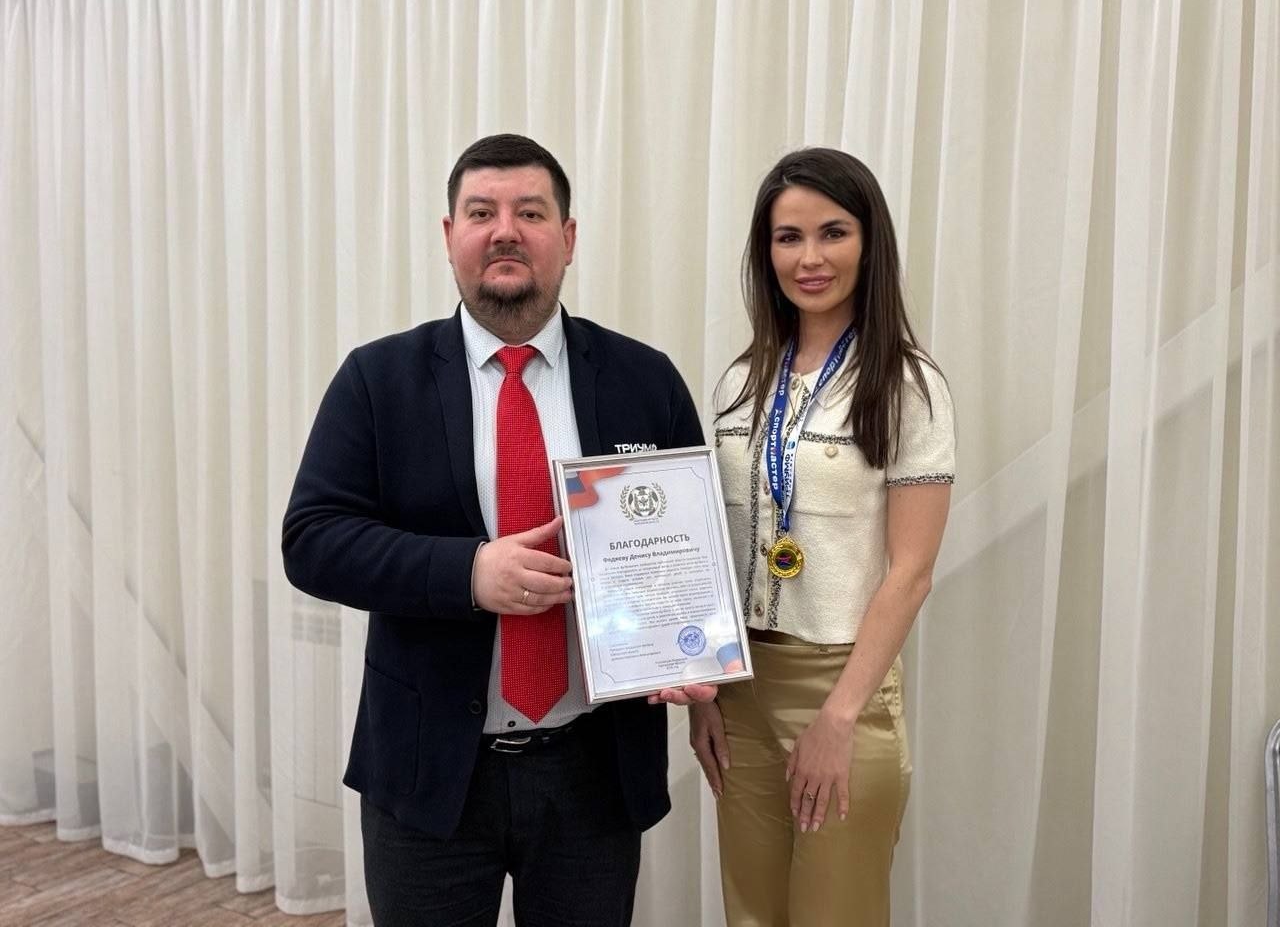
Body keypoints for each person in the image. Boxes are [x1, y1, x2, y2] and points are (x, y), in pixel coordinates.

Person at [282, 133, 711, 927]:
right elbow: (313, 540)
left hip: (592, 772)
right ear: (450, 236)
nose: (505, 231)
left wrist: (691, 651)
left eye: (531, 213)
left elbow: (689, 551)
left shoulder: (644, 379)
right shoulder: (378, 379)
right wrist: (468, 573)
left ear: (568, 237)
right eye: (481, 213)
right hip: (431, 774)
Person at [689, 148, 955, 927]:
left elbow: (911, 572)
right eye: (788, 237)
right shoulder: (739, 382)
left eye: (833, 233)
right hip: (738, 685)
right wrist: (702, 691)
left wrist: (839, 718)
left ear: (869, 244)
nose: (810, 258)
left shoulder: (908, 385)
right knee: (752, 914)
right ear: (765, 252)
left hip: (842, 687)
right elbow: (711, 545)